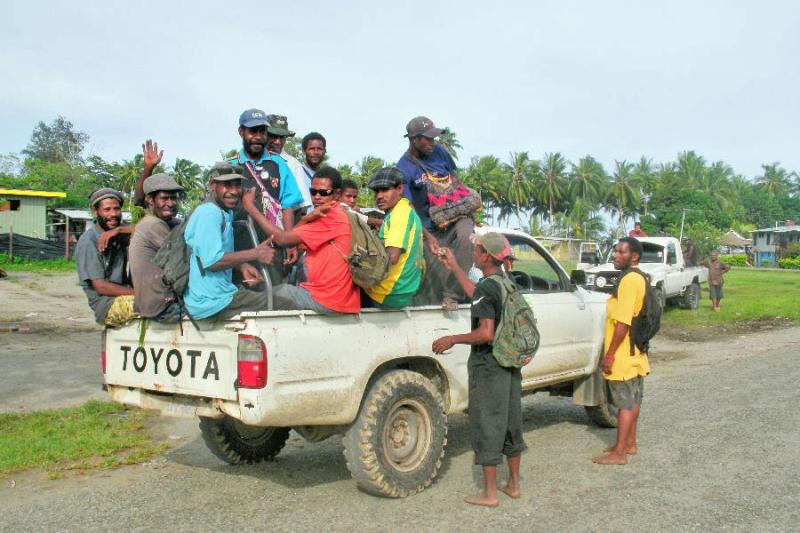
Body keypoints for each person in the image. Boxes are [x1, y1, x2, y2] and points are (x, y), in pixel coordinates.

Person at [432, 232, 526, 507]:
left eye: (476, 250)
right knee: (510, 421)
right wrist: (455, 267)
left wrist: (453, 338)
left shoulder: (488, 287)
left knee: (487, 423)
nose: (473, 252)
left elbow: (485, 333)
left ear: (485, 255)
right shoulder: (505, 282)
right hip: (510, 363)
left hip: (489, 366)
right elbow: (478, 295)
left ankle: (489, 493)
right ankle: (514, 485)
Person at [243, 166, 360, 314]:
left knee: (276, 294)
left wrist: (250, 208)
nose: (317, 197)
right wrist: (306, 218)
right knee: (278, 290)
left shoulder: (331, 217)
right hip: (333, 296)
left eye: (323, 193)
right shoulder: (327, 212)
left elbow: (283, 239)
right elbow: (293, 237)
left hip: (328, 299)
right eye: (313, 192)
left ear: (337, 194)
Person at [396, 116, 476, 309]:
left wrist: (468, 207)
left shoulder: (440, 152)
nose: (433, 142)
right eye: (428, 138)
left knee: (468, 237)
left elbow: (455, 180)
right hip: (429, 229)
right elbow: (409, 209)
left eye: (434, 138)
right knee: (436, 275)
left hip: (455, 219)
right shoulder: (403, 167)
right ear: (414, 139)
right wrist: (428, 237)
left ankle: (452, 295)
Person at [183, 162, 276, 321]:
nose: (234, 192)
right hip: (212, 303)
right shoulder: (209, 213)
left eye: (237, 185)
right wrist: (256, 253)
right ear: (213, 185)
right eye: (227, 185)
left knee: (274, 293)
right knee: (286, 296)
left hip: (221, 295)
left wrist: (241, 265)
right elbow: (212, 261)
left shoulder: (224, 212)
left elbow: (211, 252)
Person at [227, 109, 305, 283]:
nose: (258, 136)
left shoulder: (278, 163)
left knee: (273, 294)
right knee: (241, 297)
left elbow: (288, 205)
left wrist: (290, 241)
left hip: (273, 247)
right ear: (241, 132)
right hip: (238, 247)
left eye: (262, 131)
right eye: (252, 131)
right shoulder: (230, 166)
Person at [592, 236, 650, 466]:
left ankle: (619, 454)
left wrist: (610, 354)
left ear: (634, 256)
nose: (616, 255)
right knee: (634, 399)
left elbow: (623, 322)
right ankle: (628, 443)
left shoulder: (628, 281)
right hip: (637, 349)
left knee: (624, 403)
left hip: (624, 351)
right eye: (615, 251)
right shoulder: (640, 277)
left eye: (621, 252)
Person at [363, 168, 423, 308]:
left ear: (400, 188)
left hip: (389, 294)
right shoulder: (404, 209)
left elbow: (392, 257)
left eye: (384, 190)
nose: (379, 196)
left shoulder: (399, 214)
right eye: (376, 191)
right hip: (404, 291)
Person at [75, 188, 136, 327]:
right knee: (155, 305)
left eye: (117, 209)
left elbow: (149, 230)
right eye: (107, 209)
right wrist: (139, 294)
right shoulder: (88, 241)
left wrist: (119, 230)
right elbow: (101, 287)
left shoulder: (117, 232)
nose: (113, 214)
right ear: (95, 212)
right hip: (107, 304)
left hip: (125, 295)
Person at [129, 172, 184, 320]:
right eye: (164, 198)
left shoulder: (163, 222)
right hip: (162, 306)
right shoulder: (153, 225)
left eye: (173, 198)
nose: (171, 203)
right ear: (150, 200)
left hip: (154, 303)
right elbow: (183, 259)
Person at [265, 114, 314, 211]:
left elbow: (302, 205)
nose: (277, 142)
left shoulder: (292, 164)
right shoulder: (252, 159)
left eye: (282, 137)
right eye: (273, 136)